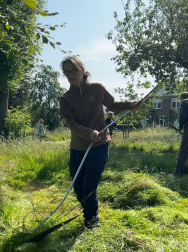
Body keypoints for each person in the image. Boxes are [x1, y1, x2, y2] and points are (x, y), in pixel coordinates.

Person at [59, 56, 140, 229]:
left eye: (74, 71)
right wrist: (90, 133)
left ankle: (91, 218)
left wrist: (130, 105)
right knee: (78, 187)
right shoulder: (65, 99)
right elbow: (73, 125)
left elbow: (113, 105)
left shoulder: (97, 88)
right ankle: (89, 210)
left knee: (89, 185)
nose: (71, 75)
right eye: (67, 72)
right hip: (78, 147)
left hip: (100, 144)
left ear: (82, 70)